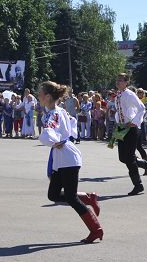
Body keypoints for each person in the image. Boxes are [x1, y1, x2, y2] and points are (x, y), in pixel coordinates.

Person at [38, 81, 102, 243]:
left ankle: (96, 229)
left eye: (40, 94)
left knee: (71, 198)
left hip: (68, 158)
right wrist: (60, 138)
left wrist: (54, 141)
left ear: (48, 96)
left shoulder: (54, 113)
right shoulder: (57, 111)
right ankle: (89, 198)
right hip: (62, 157)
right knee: (53, 195)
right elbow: (72, 121)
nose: (39, 97)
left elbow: (49, 130)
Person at [111, 73, 147, 195]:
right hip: (121, 127)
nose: (118, 82)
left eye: (121, 80)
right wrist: (118, 122)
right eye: (117, 80)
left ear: (126, 82)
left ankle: (138, 185)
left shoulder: (129, 94)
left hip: (130, 128)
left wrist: (134, 122)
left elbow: (141, 108)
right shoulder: (118, 95)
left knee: (129, 158)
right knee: (122, 157)